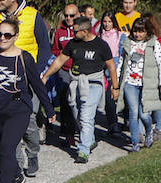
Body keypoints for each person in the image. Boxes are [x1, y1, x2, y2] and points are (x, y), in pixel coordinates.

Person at [0, 15, 53, 183]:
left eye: (7, 35)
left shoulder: (24, 57)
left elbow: (37, 85)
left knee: (6, 149)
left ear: (15, 36)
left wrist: (50, 110)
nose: (2, 38)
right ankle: (17, 175)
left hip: (17, 110)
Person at [0, 0, 51, 177]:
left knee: (29, 119)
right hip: (5, 79)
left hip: (28, 79)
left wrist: (36, 72)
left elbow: (44, 46)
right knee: (8, 120)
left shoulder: (32, 15)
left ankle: (32, 153)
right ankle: (14, 164)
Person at [41, 16, 117, 163]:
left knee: (86, 116)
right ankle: (90, 140)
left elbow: (111, 66)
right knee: (77, 115)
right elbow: (59, 61)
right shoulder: (73, 44)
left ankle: (83, 151)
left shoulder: (101, 45)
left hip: (94, 83)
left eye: (76, 32)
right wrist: (46, 76)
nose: (73, 34)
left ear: (85, 31)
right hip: (76, 83)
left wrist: (115, 87)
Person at [117, 18, 161, 152]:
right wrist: (116, 83)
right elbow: (121, 64)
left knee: (144, 114)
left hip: (147, 84)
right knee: (133, 113)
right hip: (130, 83)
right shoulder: (127, 43)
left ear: (147, 32)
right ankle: (134, 143)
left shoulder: (153, 43)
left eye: (141, 32)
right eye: (135, 31)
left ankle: (149, 131)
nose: (138, 35)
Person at [48, 3, 80, 147]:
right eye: (66, 15)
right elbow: (55, 50)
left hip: (80, 71)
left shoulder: (83, 29)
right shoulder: (60, 31)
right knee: (66, 102)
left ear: (78, 15)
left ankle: (85, 132)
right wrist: (60, 56)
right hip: (64, 70)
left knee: (79, 102)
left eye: (71, 16)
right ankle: (69, 134)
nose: (68, 18)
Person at [97, 14, 123, 138]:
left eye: (109, 21)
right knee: (109, 98)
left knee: (120, 96)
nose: (107, 24)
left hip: (116, 67)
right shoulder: (99, 35)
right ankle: (113, 124)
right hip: (103, 69)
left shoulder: (120, 35)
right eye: (105, 21)